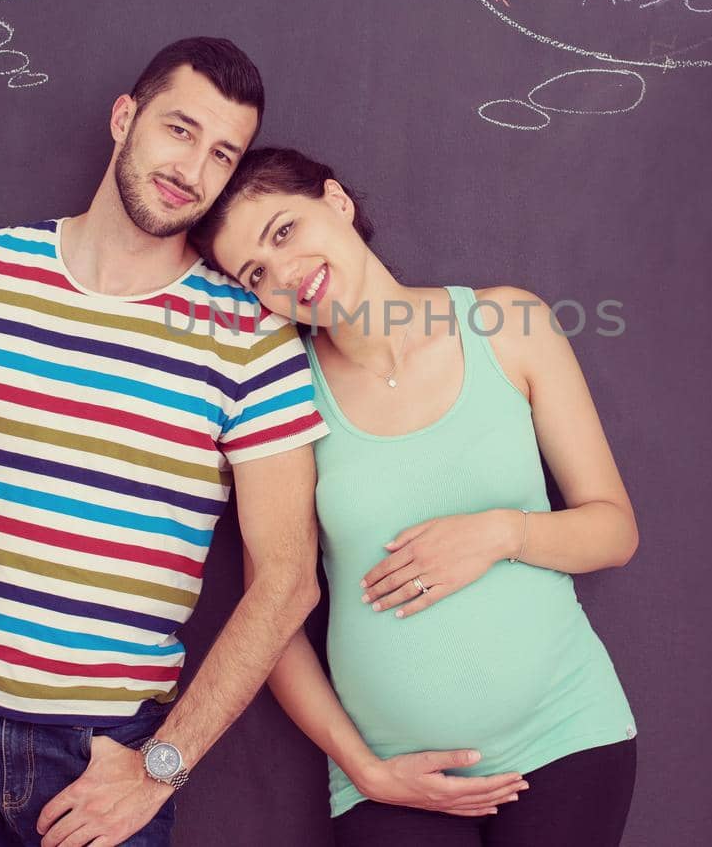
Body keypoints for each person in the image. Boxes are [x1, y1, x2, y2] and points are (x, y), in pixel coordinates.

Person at [0, 39, 329, 847]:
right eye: (178, 129)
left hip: (109, 755)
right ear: (124, 118)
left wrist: (162, 764)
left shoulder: (250, 337)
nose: (192, 168)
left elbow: (287, 580)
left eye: (221, 153)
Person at [190, 147, 640, 846]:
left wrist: (499, 534)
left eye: (284, 232)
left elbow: (614, 531)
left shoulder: (509, 325)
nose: (284, 274)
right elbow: (270, 622)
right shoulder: (282, 398)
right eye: (256, 273)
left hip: (566, 737)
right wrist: (362, 768)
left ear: (336, 202)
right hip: (394, 777)